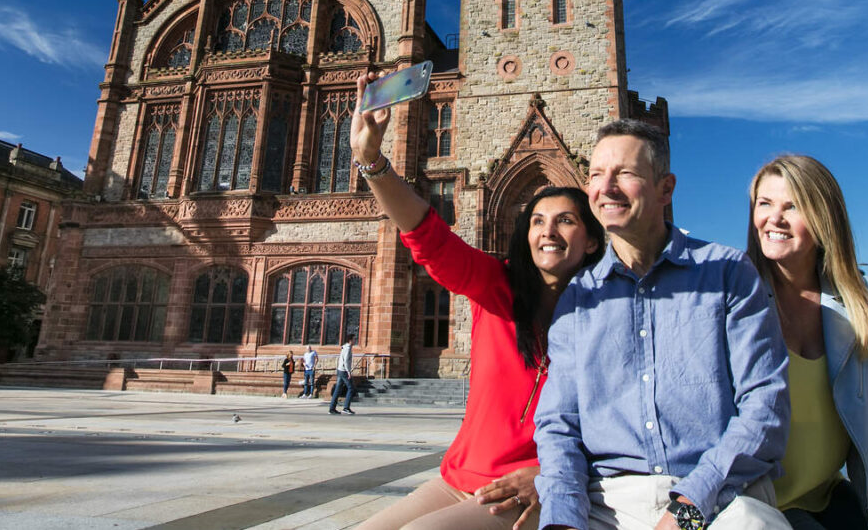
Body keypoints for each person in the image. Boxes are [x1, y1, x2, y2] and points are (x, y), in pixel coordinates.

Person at [349, 71, 606, 530]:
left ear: (590, 240)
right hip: (459, 477)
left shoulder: (610, 312)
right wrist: (370, 158)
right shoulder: (497, 285)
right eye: (537, 220)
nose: (547, 230)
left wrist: (550, 475)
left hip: (535, 487)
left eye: (565, 220)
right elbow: (428, 236)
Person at [535, 119, 791, 530]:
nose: (607, 187)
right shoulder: (579, 297)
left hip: (720, 497)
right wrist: (563, 520)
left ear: (665, 189)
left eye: (626, 174)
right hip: (611, 502)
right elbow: (558, 426)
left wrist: (688, 509)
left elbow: (765, 407)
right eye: (597, 175)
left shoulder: (727, 273)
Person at [747, 155, 868, 530]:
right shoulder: (736, 297)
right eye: (765, 203)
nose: (775, 218)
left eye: (794, 206)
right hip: (762, 508)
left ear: (824, 218)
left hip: (829, 499)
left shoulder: (853, 300)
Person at [329, 333, 358, 415]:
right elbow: (345, 361)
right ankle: (346, 408)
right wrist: (349, 372)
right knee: (351, 388)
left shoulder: (344, 347)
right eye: (354, 339)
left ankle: (332, 408)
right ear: (350, 340)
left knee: (338, 389)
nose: (355, 340)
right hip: (344, 371)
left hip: (340, 370)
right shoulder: (348, 348)